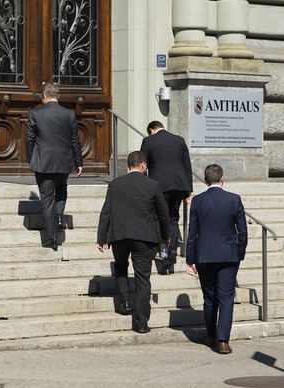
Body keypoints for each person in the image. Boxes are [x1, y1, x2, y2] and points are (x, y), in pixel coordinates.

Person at [97, 151, 170, 333]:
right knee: (143, 279)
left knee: (121, 266)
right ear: (143, 164)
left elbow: (107, 211)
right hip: (145, 237)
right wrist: (165, 235)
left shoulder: (115, 184)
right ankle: (142, 323)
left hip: (120, 235)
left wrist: (101, 237)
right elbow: (163, 213)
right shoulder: (152, 185)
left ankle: (125, 302)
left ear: (128, 165)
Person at [186, 164, 248, 354]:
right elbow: (243, 232)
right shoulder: (234, 199)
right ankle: (222, 341)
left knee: (209, 298)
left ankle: (211, 335)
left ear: (205, 181)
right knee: (226, 298)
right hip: (228, 256)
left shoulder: (197, 201)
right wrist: (239, 252)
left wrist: (190, 259)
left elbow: (193, 233)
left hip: (205, 255)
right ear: (222, 179)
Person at [26, 82, 83, 251]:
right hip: (64, 161)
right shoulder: (70, 114)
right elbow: (75, 141)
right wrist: (78, 162)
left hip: (43, 161)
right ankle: (58, 216)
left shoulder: (35, 113)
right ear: (57, 96)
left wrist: (32, 159)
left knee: (47, 197)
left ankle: (51, 238)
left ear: (44, 96)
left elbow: (29, 139)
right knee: (62, 188)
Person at [140, 120, 192, 274]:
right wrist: (188, 190)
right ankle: (172, 251)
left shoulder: (148, 141)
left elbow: (142, 164)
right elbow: (187, 165)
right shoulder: (179, 140)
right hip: (179, 185)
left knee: (158, 217)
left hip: (159, 185)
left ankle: (163, 250)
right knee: (173, 218)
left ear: (151, 130)